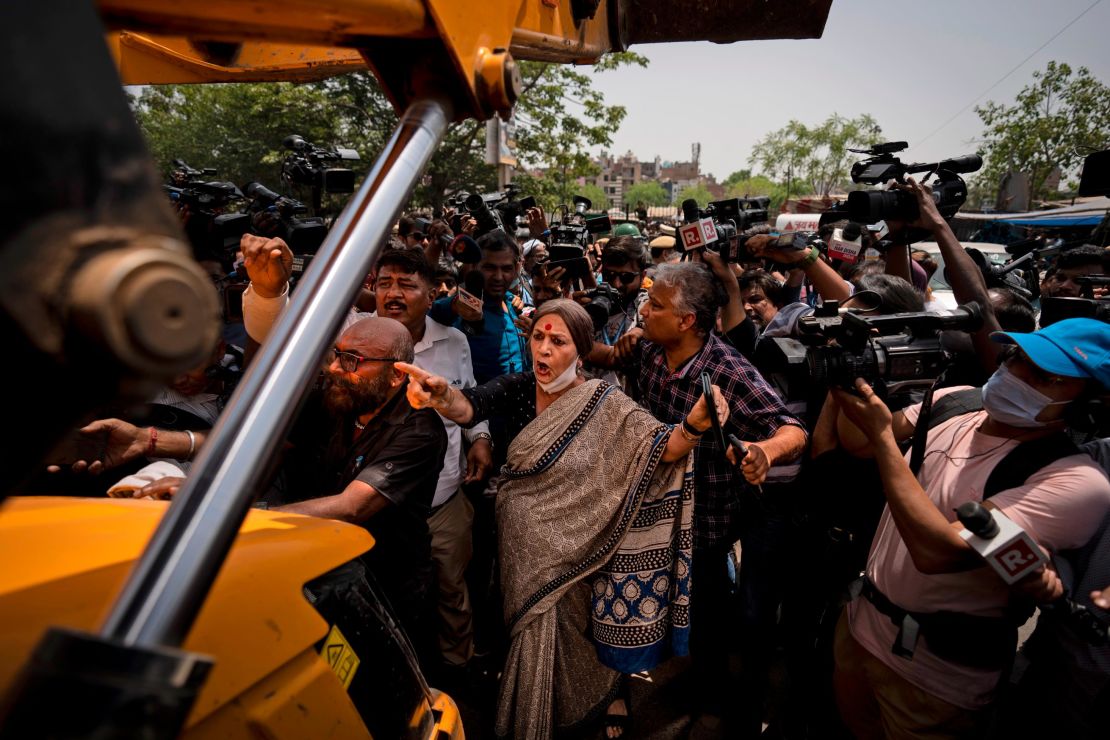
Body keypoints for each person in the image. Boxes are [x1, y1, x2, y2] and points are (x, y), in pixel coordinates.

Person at [397, 299, 730, 740]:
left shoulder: (607, 403)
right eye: (538, 338)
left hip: (581, 544)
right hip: (522, 543)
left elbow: (660, 450)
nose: (544, 350)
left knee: (579, 626)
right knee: (527, 625)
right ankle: (529, 707)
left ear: (582, 350)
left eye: (559, 341)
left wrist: (694, 424)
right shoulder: (517, 388)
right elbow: (468, 407)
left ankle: (598, 698)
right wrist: (441, 395)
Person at [825, 317, 1110, 739]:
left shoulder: (1076, 482)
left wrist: (884, 436)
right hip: (860, 628)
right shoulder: (955, 400)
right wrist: (845, 380)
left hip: (934, 675)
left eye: (1045, 377)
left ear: (1088, 407)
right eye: (1017, 359)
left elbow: (935, 553)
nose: (1017, 376)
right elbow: (858, 442)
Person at [592, 262, 808, 738]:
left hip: (707, 525)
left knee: (709, 616)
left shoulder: (727, 371)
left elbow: (793, 430)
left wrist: (764, 453)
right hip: (652, 516)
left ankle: (716, 702)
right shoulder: (648, 348)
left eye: (656, 305)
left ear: (688, 321)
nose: (644, 311)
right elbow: (607, 357)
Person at [428, 229, 530, 384]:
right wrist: (454, 306)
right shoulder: (467, 306)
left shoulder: (514, 305)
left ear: (516, 268)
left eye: (506, 269)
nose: (498, 277)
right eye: (489, 268)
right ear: (474, 266)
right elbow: (434, 312)